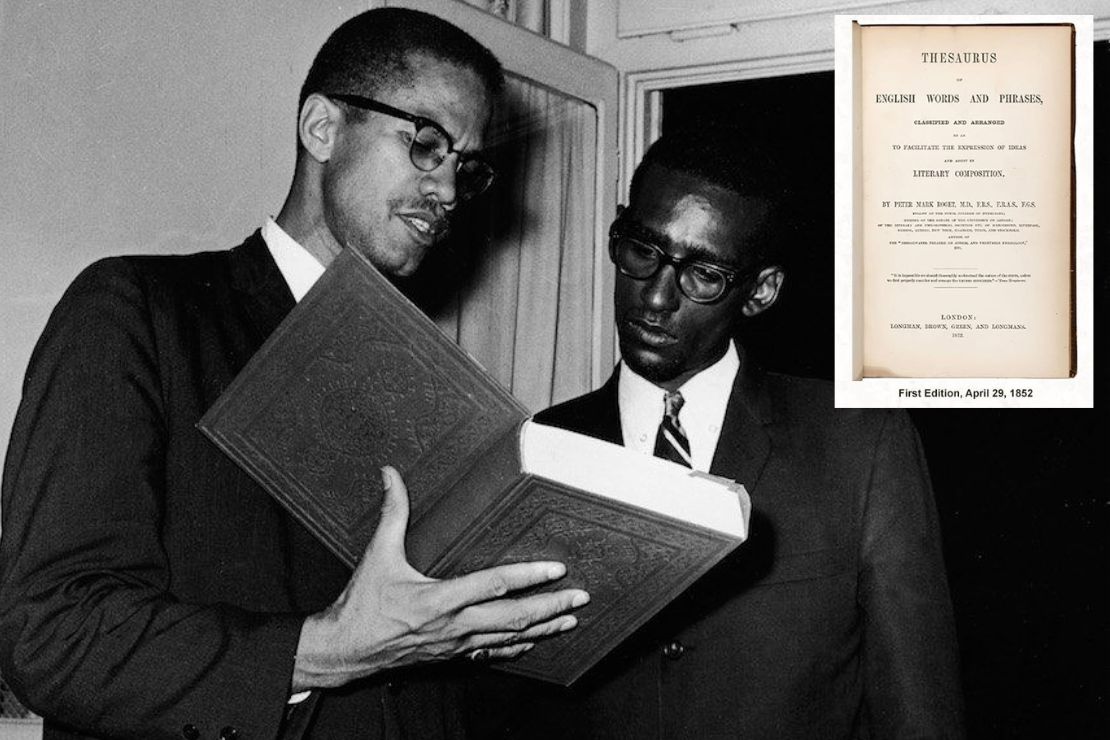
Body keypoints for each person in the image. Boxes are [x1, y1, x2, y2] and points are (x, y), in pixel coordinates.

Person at [0, 9, 587, 740]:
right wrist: (324, 651)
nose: (446, 190)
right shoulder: (136, 312)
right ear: (321, 128)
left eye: (465, 168)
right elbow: (51, 632)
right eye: (426, 144)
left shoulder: (431, 384)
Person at [471, 131, 965, 738]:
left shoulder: (858, 441)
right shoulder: (542, 447)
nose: (655, 298)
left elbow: (920, 717)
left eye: (703, 275)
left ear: (760, 292)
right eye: (642, 250)